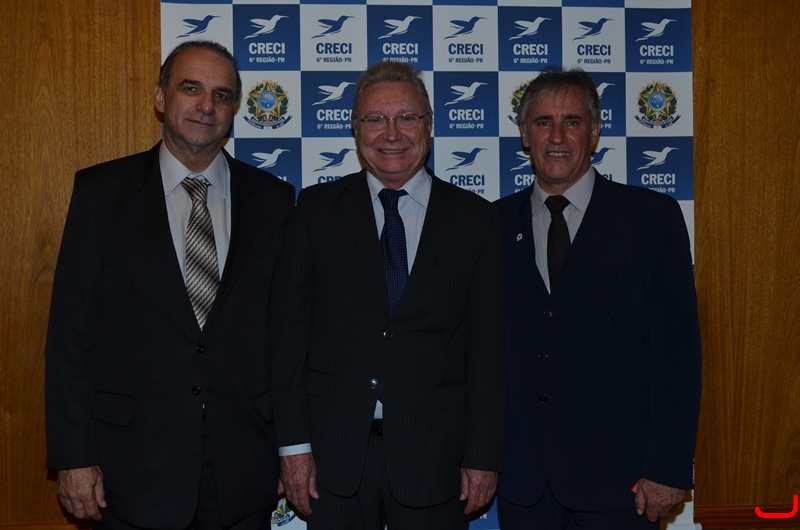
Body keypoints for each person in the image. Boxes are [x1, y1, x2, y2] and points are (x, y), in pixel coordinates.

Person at [45, 40, 295, 530]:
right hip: (130, 469)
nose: (207, 106)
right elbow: (71, 337)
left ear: (235, 108)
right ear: (161, 98)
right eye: (191, 88)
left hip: (242, 466)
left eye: (222, 95)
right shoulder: (101, 194)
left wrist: (293, 448)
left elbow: (287, 337)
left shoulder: (274, 201)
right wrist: (73, 457)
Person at [269, 61, 507, 529]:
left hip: (436, 461)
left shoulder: (476, 219)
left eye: (407, 117)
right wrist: (293, 448)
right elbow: (287, 338)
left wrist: (483, 456)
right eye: (375, 119)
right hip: (331, 461)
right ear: (356, 129)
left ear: (429, 125)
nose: (391, 133)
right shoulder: (315, 211)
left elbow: (488, 351)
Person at [494, 66, 702, 529]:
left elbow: (677, 355)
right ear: (525, 135)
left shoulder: (651, 219)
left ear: (594, 132)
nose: (557, 136)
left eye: (572, 121)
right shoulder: (492, 225)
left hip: (624, 482)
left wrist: (668, 468)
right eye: (543, 122)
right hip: (523, 481)